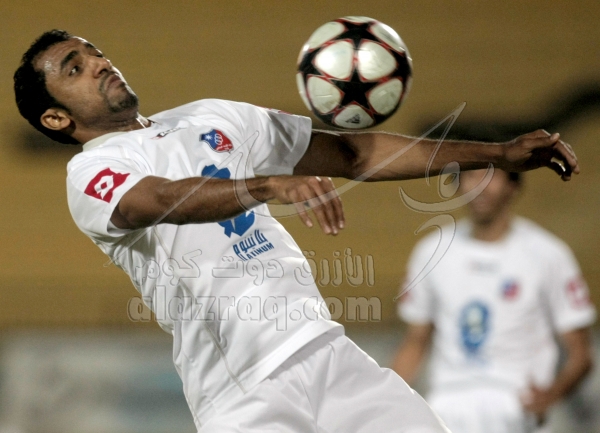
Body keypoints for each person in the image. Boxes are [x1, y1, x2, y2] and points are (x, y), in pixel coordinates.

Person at [13, 29, 580, 433]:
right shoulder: (90, 173)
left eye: (96, 52)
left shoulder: (212, 116)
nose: (99, 64)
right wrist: (268, 184)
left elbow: (355, 153)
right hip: (242, 392)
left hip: (330, 354)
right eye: (74, 68)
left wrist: (496, 154)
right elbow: (160, 201)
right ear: (57, 119)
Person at [393, 168, 596, 433]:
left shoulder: (548, 255)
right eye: (471, 175)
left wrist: (551, 395)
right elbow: (415, 343)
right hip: (447, 403)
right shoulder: (430, 252)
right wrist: (386, 398)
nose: (479, 185)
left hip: (517, 403)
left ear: (513, 185)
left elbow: (581, 354)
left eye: (490, 175)